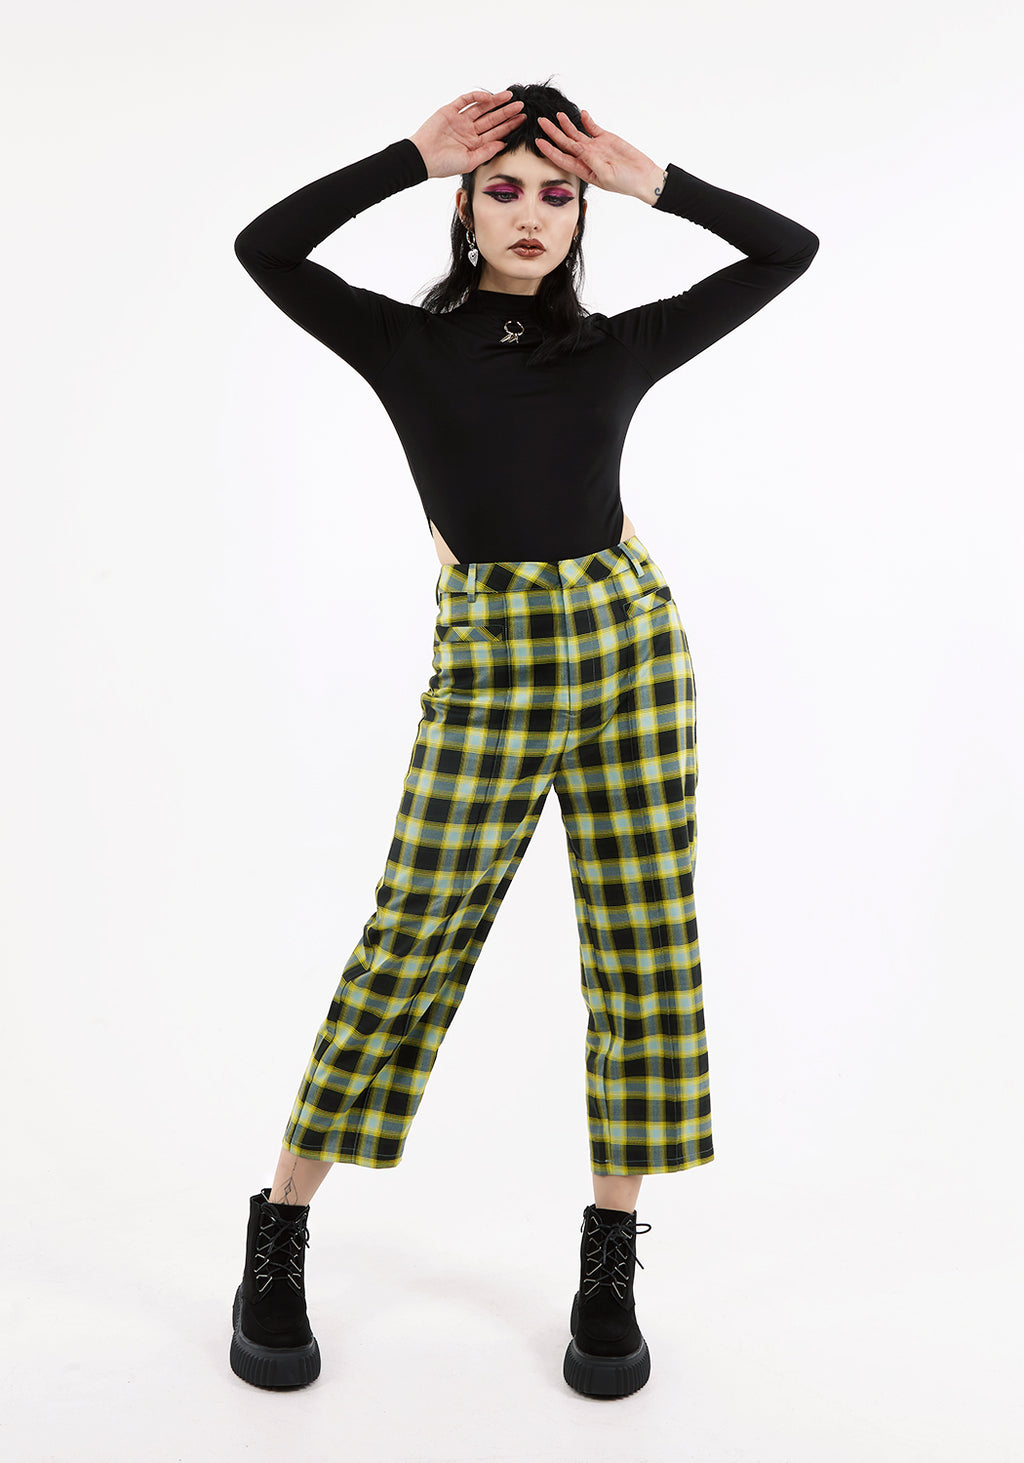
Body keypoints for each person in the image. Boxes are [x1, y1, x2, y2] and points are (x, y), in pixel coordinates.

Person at [229, 80, 819, 1397]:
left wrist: (648, 178)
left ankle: (608, 1265)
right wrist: (408, 154)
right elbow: (266, 248)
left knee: (644, 947)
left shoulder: (613, 348)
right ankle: (279, 1235)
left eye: (557, 194)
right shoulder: (406, 344)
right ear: (464, 206)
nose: (533, 215)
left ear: (584, 212)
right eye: (504, 189)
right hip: (493, 659)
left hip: (631, 650)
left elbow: (788, 251)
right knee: (410, 936)